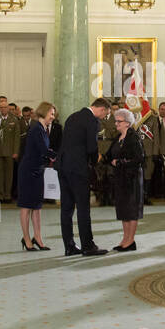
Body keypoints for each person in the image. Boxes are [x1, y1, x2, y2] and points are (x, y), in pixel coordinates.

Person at [56, 97, 110, 257]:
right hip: (78, 169)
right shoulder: (92, 121)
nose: (104, 117)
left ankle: (69, 246)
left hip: (63, 166)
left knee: (66, 208)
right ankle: (87, 245)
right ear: (101, 109)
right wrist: (95, 161)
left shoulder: (72, 116)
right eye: (105, 114)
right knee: (83, 208)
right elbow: (92, 147)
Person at [17, 101, 56, 251]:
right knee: (26, 206)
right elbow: (44, 150)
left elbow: (45, 150)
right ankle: (26, 239)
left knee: (37, 207)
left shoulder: (42, 127)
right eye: (51, 113)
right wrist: (60, 156)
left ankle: (38, 238)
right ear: (44, 112)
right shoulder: (36, 128)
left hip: (38, 170)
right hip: (28, 171)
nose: (53, 116)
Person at [109, 108, 145, 251]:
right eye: (116, 121)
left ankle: (131, 241)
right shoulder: (117, 138)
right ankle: (125, 239)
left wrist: (120, 162)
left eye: (119, 121)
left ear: (128, 123)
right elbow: (109, 155)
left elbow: (139, 159)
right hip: (121, 178)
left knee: (131, 210)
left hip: (132, 179)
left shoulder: (133, 137)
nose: (116, 123)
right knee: (123, 210)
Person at [0, 95, 21, 203]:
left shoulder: (14, 119)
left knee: (9, 175)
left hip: (10, 152)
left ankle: (7, 195)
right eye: (1, 108)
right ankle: (0, 195)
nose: (3, 109)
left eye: (5, 107)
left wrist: (16, 152)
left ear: (8, 108)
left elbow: (17, 138)